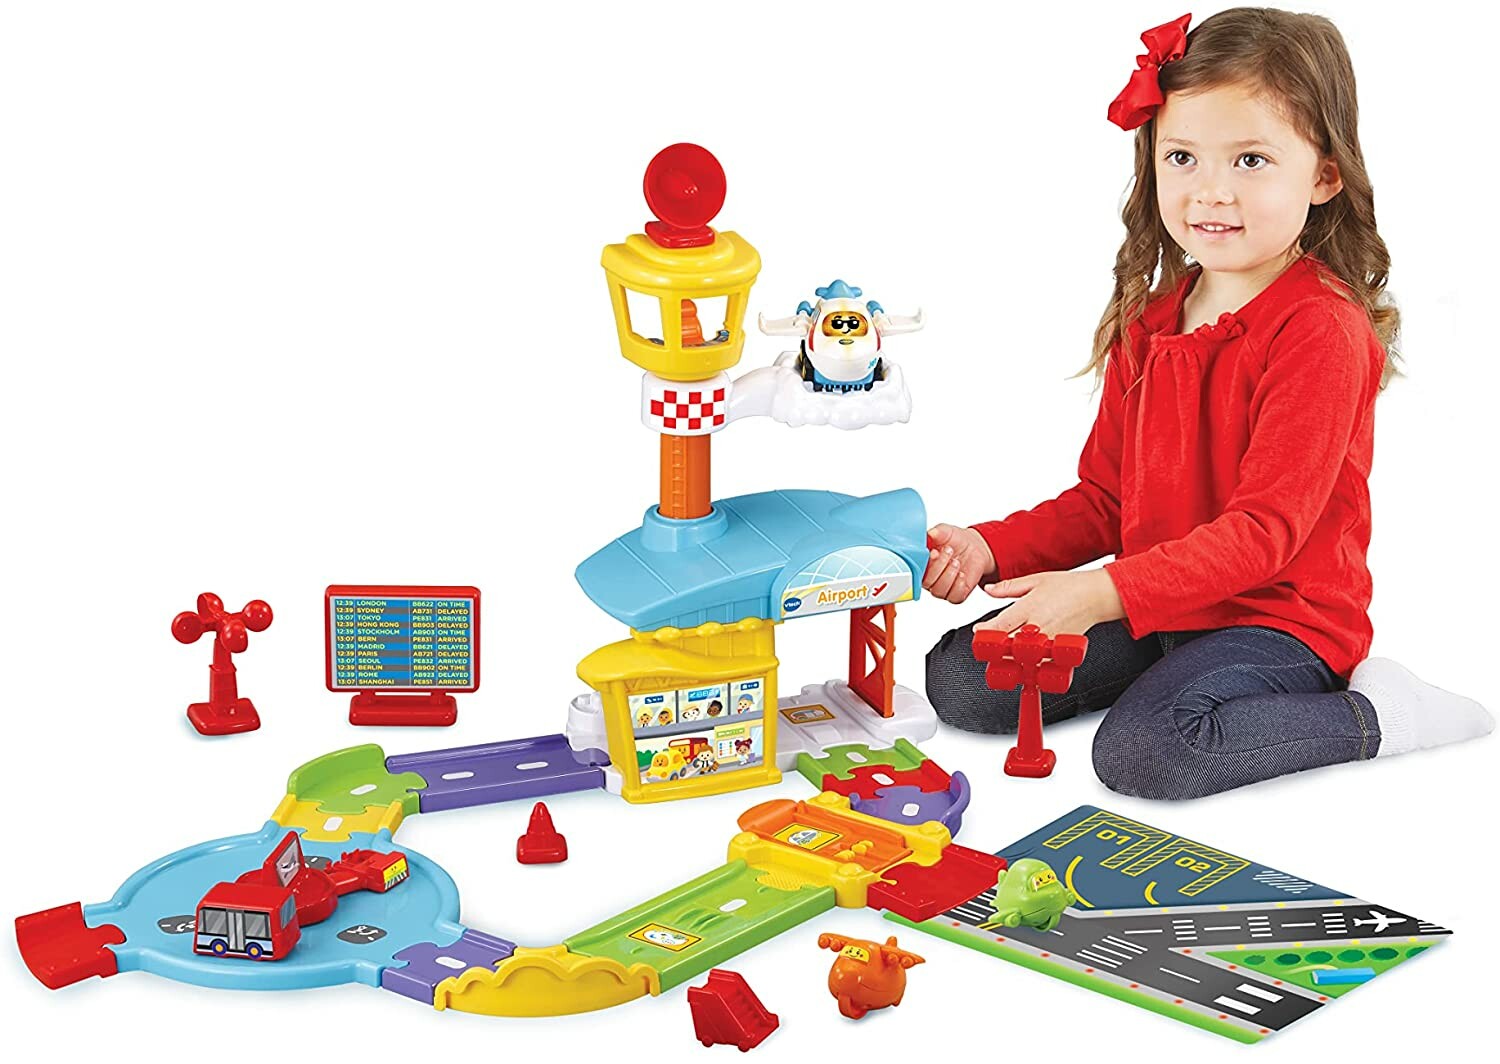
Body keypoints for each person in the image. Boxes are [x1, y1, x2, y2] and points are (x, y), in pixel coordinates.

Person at [923, 8, 1491, 799]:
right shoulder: (1151, 321)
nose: (1211, 192)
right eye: (1183, 157)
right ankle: (1179, 678)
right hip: (1162, 609)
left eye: (1251, 160)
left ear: (1324, 176)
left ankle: (1378, 716)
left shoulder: (1319, 329)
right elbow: (1105, 499)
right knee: (961, 677)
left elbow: (1264, 535)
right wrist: (991, 547)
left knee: (1147, 753)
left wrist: (1099, 594)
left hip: (1280, 621)